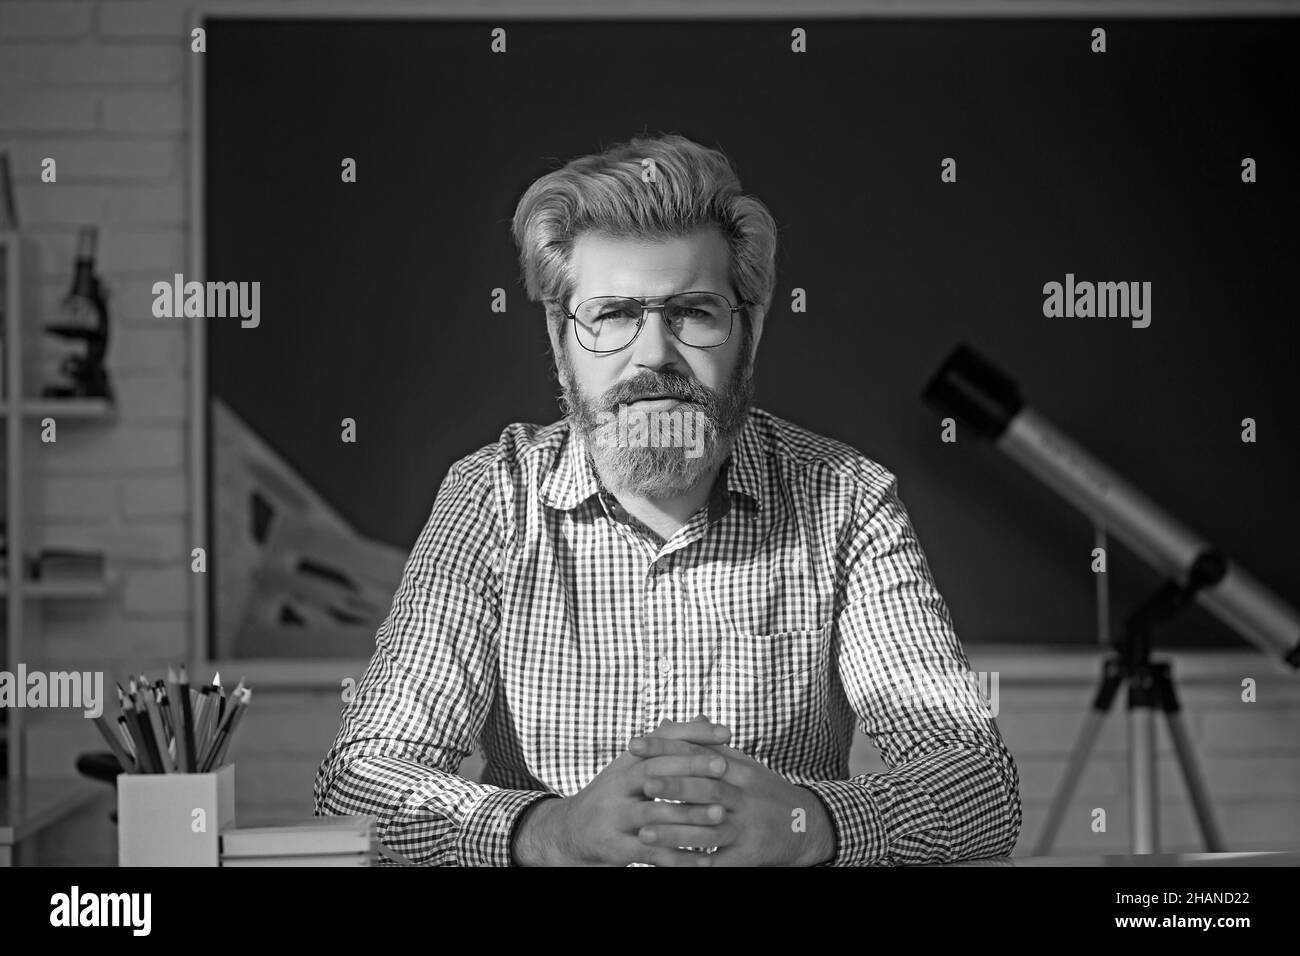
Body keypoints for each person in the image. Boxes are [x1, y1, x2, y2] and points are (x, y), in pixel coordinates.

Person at [314, 132, 1022, 866]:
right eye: (613, 314)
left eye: (692, 311)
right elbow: (359, 785)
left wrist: (808, 821)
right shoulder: (491, 498)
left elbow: (979, 787)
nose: (653, 354)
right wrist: (550, 832)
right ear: (561, 339)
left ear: (749, 330)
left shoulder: (846, 500)